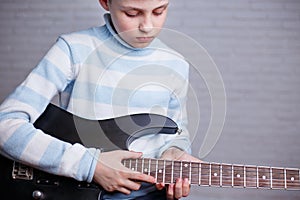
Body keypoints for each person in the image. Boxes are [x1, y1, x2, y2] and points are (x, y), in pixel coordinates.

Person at [0, 0, 200, 199]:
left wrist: (175, 152)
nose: (147, 26)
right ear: (105, 2)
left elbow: (177, 133)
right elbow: (6, 126)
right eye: (131, 13)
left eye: (159, 11)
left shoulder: (176, 64)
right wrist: (90, 165)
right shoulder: (74, 49)